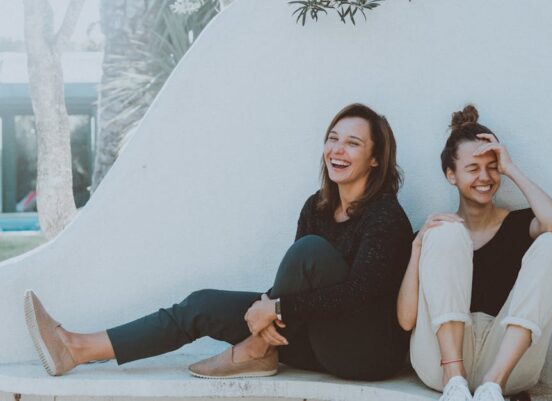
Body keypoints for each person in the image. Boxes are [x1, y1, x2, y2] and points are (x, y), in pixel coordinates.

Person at [25, 103, 413, 380]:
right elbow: (296, 283)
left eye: (353, 143)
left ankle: (256, 352)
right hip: (316, 338)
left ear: (376, 159)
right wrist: (270, 308)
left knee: (308, 252)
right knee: (201, 304)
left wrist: (275, 306)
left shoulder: (385, 216)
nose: (337, 150)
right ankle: (76, 348)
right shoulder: (318, 205)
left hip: (364, 353)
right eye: (333, 138)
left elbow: (360, 294)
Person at [397, 105, 552, 401]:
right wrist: (417, 248)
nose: (485, 177)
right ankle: (455, 380)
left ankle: (492, 386)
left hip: (505, 361)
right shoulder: (436, 234)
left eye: (492, 166)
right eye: (473, 168)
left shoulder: (519, 224)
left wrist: (510, 167)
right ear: (451, 175)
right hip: (440, 364)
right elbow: (405, 320)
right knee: (446, 231)